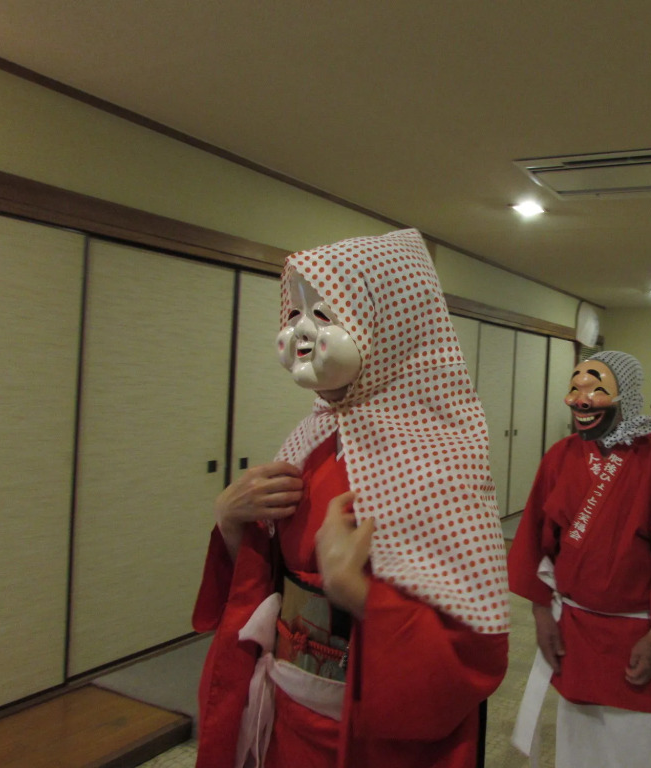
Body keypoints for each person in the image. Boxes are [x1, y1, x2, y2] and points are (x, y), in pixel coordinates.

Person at [191, 229, 510, 768]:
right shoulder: (313, 436)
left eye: (325, 314)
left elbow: (474, 648)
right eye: (295, 313)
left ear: (391, 327)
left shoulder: (443, 455)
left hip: (371, 728)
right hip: (284, 712)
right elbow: (269, 576)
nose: (301, 332)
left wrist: (357, 591)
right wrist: (231, 521)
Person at [509, 351, 651, 768]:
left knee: (639, 748)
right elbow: (535, 540)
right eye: (575, 388)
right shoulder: (561, 456)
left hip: (636, 633)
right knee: (578, 746)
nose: (581, 400)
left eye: (596, 389)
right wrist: (541, 614)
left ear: (627, 396)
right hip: (574, 630)